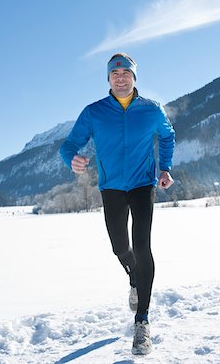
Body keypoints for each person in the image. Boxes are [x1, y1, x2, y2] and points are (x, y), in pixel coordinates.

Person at [60, 52, 175, 355]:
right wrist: (71, 158)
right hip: (110, 187)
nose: (121, 77)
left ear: (134, 78)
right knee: (119, 247)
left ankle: (143, 321)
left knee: (142, 246)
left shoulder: (151, 110)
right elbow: (69, 144)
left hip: (141, 185)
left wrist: (164, 167)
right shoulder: (94, 112)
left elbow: (167, 135)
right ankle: (134, 278)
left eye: (126, 73)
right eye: (115, 73)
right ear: (109, 79)